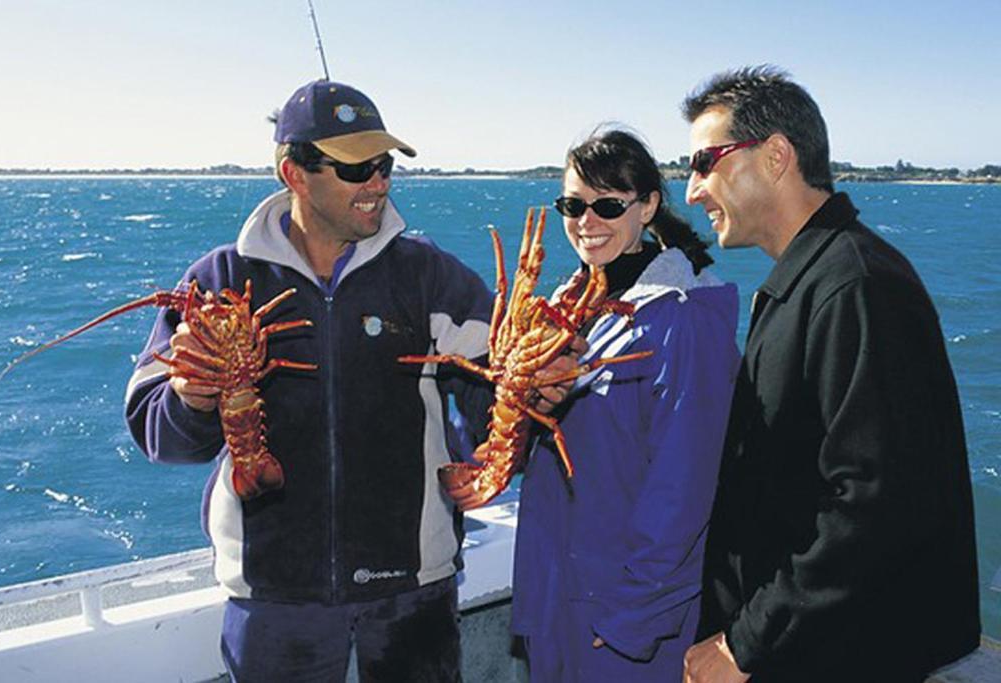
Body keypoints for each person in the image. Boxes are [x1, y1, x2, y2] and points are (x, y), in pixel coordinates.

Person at [125, 79, 496, 682]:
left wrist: (536, 394)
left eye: (383, 165)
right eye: (356, 169)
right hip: (275, 600)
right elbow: (157, 433)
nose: (378, 183)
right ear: (293, 173)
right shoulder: (220, 278)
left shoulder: (431, 276)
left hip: (412, 593)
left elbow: (495, 392)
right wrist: (191, 397)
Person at [680, 66, 980, 683]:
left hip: (841, 656)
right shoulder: (816, 278)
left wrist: (746, 643)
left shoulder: (855, 287)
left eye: (705, 161)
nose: (692, 190)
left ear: (776, 156)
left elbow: (871, 504)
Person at [510, 127, 741, 682]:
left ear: (649, 207)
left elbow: (685, 491)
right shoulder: (564, 311)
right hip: (556, 602)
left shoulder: (682, 319)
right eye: (573, 205)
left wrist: (628, 620)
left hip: (624, 624)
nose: (586, 221)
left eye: (608, 205)